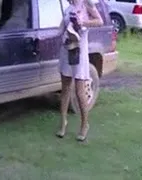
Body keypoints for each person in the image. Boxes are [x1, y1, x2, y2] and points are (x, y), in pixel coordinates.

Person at [56, 0, 103, 141]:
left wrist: (82, 22)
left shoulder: (87, 4)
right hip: (67, 49)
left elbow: (99, 21)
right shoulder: (68, 8)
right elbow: (61, 28)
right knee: (65, 89)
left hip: (80, 52)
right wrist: (63, 31)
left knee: (80, 91)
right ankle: (63, 123)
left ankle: (84, 124)